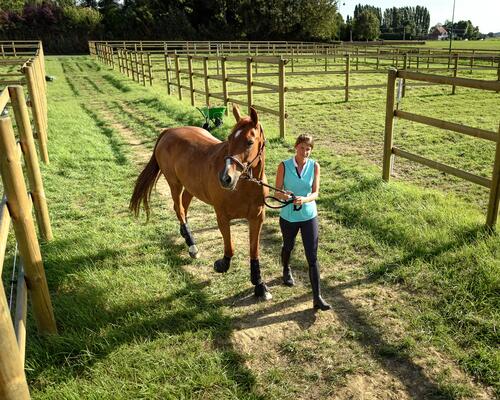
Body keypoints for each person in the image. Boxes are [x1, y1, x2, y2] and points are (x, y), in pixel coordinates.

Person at [274, 134, 331, 311]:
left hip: (309, 216)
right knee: (288, 246)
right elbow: (277, 192)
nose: (305, 152)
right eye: (302, 147)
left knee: (312, 257)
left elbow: (315, 193)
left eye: (308, 149)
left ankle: (317, 297)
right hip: (288, 216)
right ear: (296, 146)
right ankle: (286, 268)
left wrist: (305, 200)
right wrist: (287, 196)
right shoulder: (284, 165)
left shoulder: (315, 166)